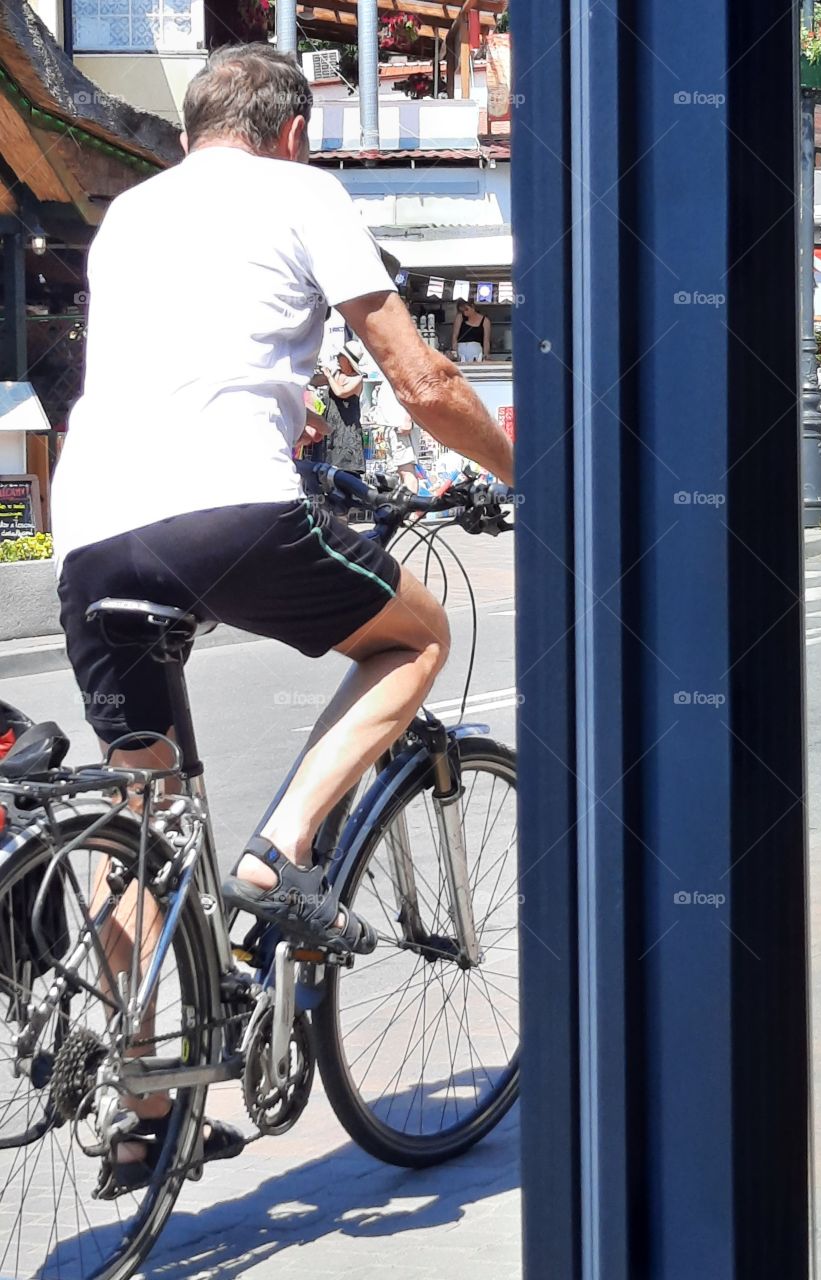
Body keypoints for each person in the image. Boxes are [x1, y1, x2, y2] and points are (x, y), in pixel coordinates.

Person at [50, 42, 513, 1189]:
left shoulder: (130, 216)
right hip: (228, 509)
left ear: (195, 123)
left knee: (140, 804)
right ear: (293, 128)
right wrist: (529, 466)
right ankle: (278, 853)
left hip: (91, 525)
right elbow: (419, 382)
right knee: (415, 635)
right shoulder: (306, 191)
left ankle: (154, 1089)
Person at [317, 339, 366, 477]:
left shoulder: (357, 378)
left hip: (347, 434)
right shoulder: (335, 374)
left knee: (347, 475)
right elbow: (314, 381)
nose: (338, 357)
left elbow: (341, 392)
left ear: (348, 360)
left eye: (341, 355)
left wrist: (329, 376)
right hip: (330, 432)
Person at [374, 374, 421, 493]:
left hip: (400, 425)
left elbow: (412, 388)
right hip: (391, 425)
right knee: (399, 471)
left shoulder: (403, 364)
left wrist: (408, 419)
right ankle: (407, 507)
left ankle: (411, 508)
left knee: (406, 470)